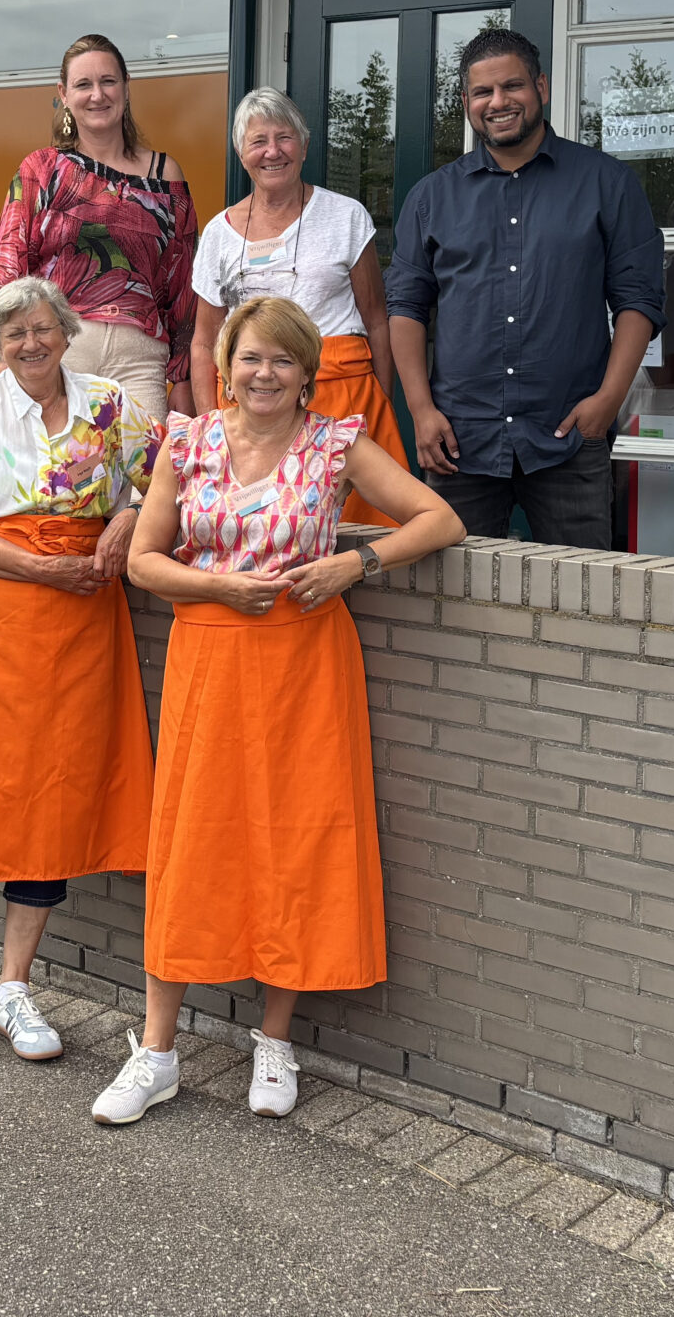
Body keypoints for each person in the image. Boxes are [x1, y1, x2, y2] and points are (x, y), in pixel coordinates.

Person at [91, 297, 462, 1127]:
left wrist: (354, 564)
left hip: (306, 664)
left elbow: (442, 519)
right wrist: (220, 586)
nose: (265, 374)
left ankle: (275, 1040)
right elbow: (145, 563)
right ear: (226, 364)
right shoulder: (186, 442)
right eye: (251, 358)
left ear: (306, 373)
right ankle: (156, 1052)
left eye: (283, 361)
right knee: (191, 842)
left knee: (295, 837)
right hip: (209, 662)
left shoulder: (337, 444)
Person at [0, 275, 160, 1062]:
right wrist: (40, 569)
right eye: (14, 333)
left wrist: (123, 515)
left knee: (54, 792)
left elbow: (166, 487)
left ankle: (16, 986)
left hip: (74, 626)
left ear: (67, 331)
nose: (31, 344)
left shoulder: (109, 405)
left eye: (44, 329)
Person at [386, 29, 664, 548]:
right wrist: (421, 411)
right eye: (482, 93)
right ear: (466, 102)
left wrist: (609, 399)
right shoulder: (432, 197)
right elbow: (405, 307)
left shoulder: (607, 184)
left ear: (539, 86)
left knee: (584, 600)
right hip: (459, 441)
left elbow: (638, 299)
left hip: (569, 435)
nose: (498, 102)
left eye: (512, 86)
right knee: (454, 597)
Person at [189, 88, 411, 528]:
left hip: (342, 399)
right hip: (250, 407)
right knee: (260, 531)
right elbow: (203, 342)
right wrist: (209, 425)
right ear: (241, 152)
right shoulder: (218, 233)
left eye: (284, 137)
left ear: (304, 146)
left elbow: (377, 320)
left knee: (363, 533)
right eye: (258, 141)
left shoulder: (345, 216)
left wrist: (379, 400)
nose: (273, 151)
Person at [0, 34, 199, 422]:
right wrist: (5, 357)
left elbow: (182, 285)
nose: (97, 94)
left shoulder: (165, 174)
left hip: (141, 360)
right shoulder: (41, 170)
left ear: (126, 87)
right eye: (83, 84)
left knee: (145, 481)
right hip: (62, 354)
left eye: (108, 81)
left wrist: (181, 378)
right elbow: (9, 269)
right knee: (61, 479)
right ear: (63, 94)